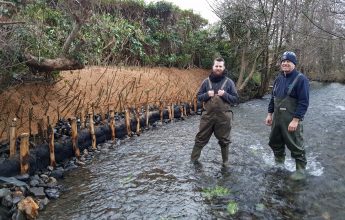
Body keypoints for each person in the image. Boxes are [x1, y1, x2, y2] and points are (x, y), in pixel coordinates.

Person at [265, 51, 309, 180]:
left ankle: (300, 170)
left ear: (294, 64)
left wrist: (296, 120)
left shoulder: (301, 79)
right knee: (274, 141)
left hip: (291, 119)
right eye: (283, 61)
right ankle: (279, 162)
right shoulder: (278, 79)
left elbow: (304, 102)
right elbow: (273, 99)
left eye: (288, 61)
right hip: (277, 119)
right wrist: (269, 114)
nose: (285, 63)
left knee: (295, 145)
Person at [191, 57, 238, 166]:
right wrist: (207, 94)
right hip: (207, 117)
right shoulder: (206, 82)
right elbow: (198, 97)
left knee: (224, 141)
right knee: (200, 138)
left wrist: (225, 94)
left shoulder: (229, 82)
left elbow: (235, 99)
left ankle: (225, 163)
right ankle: (193, 161)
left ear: (223, 67)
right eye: (216, 66)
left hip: (223, 118)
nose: (218, 68)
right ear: (213, 67)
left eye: (220, 66)